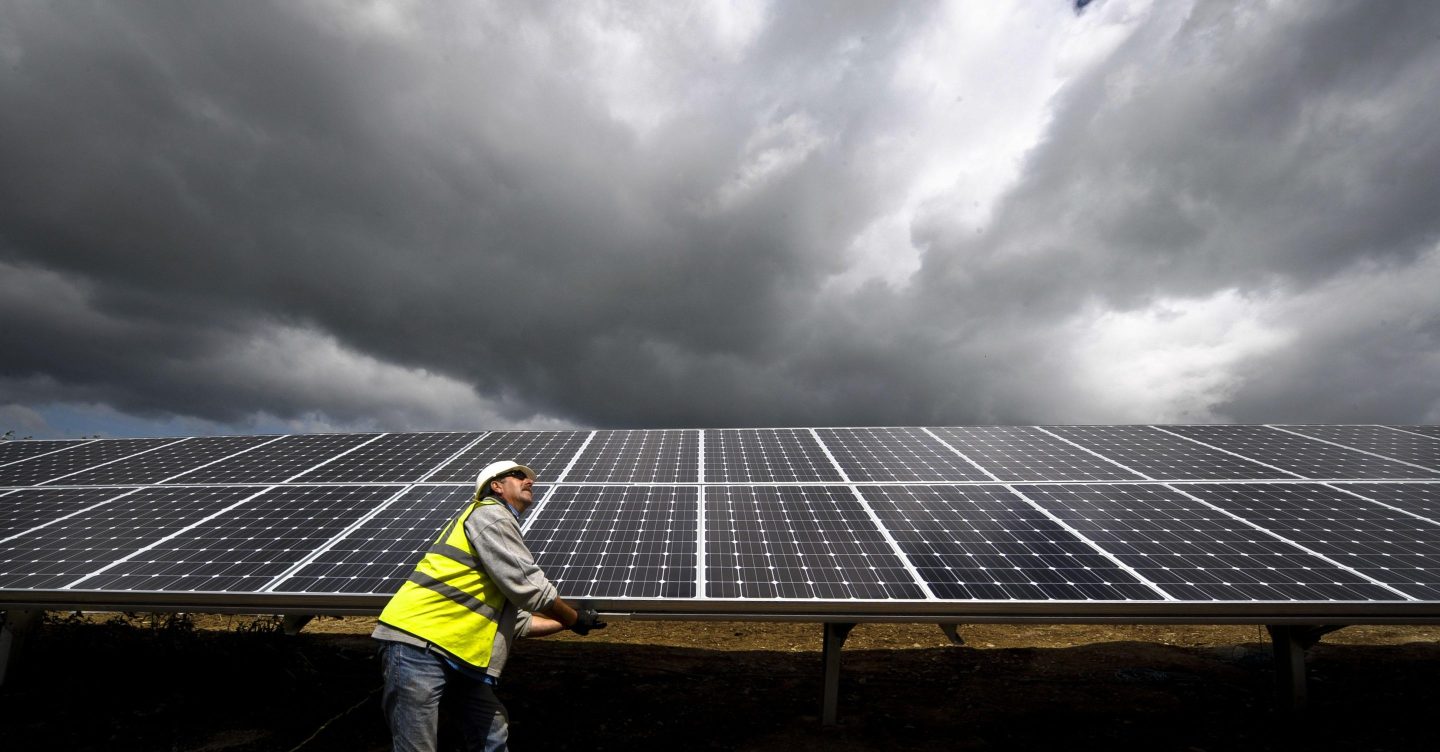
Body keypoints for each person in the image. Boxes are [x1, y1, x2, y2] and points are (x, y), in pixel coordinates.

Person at [372, 460, 605, 751]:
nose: (529, 480)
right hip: (419, 642)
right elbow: (528, 586)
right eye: (518, 475)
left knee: (492, 732)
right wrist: (573, 618)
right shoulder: (490, 515)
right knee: (417, 745)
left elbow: (520, 621)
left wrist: (573, 624)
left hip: (462, 655)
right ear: (496, 486)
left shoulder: (497, 528)